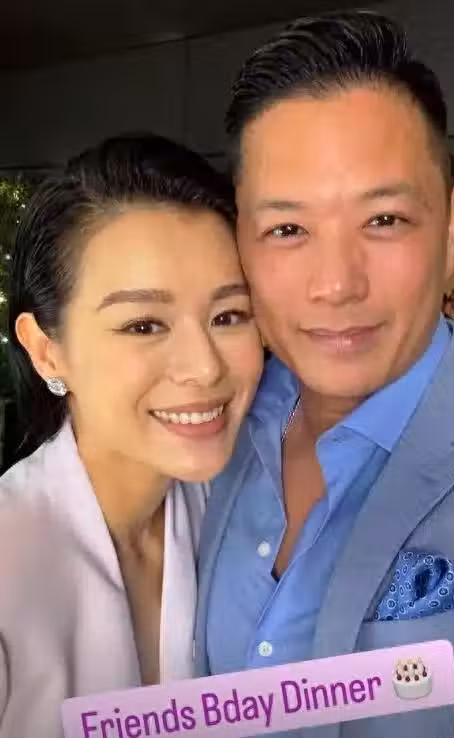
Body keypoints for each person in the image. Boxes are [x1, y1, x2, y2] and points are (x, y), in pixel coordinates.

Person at [194, 11, 454, 738]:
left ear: (451, 224)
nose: (336, 284)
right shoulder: (218, 427)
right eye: (288, 229)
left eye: (384, 220)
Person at [0, 134, 263, 737]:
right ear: (46, 350)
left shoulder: (236, 511)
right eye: (144, 325)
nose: (204, 367)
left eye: (228, 316)